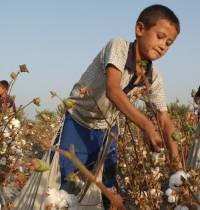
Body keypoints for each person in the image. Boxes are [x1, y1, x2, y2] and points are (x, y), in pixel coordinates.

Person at [59, 4, 182, 209]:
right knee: (69, 182)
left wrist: (177, 165)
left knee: (109, 186)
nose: (163, 46)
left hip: (107, 128)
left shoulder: (154, 78)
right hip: (78, 120)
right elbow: (112, 90)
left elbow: (164, 118)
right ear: (140, 29)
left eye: (169, 43)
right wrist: (145, 124)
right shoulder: (118, 47)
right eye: (160, 36)